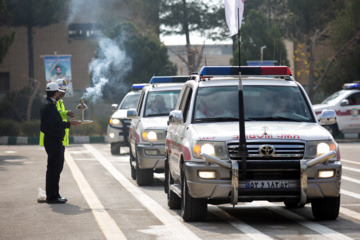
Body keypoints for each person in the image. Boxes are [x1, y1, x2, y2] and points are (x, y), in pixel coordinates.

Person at [40, 82, 81, 204]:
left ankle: (54, 194)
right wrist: (70, 124)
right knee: (54, 169)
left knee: (54, 168)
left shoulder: (48, 105)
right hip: (54, 141)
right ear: (56, 93)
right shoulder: (50, 106)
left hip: (52, 140)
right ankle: (52, 196)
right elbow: (56, 125)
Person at [39, 79, 75, 147]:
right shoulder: (53, 102)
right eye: (62, 90)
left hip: (58, 136)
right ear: (57, 91)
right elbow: (55, 115)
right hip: (53, 137)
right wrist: (66, 113)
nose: (64, 92)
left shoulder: (60, 101)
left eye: (65, 90)